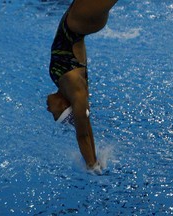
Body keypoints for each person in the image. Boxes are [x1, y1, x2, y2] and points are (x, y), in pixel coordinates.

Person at [47, 0, 118, 173]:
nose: (50, 112)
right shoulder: (73, 85)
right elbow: (83, 133)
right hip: (79, 22)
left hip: (77, 23)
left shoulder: (63, 83)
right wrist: (92, 165)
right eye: (58, 115)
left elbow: (86, 128)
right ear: (65, 106)